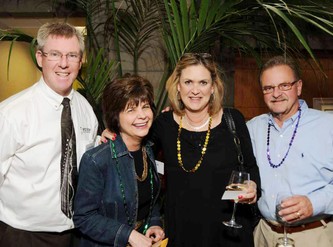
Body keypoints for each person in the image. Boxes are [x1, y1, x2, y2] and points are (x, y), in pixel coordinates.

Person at [102, 53, 261, 246]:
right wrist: (113, 132)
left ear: (213, 87)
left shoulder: (233, 120)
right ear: (178, 86)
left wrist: (253, 189)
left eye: (203, 82)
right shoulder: (163, 124)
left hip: (230, 233)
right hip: (182, 233)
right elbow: (136, 154)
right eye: (188, 82)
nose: (195, 90)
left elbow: (251, 169)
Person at [0, 22, 98, 247]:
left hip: (77, 233)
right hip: (22, 236)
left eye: (72, 55)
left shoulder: (86, 109)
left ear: (80, 60)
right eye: (55, 54)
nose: (64, 64)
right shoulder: (11, 114)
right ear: (40, 58)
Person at [246, 55, 333, 247]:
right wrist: (178, 116)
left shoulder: (328, 126)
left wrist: (314, 203)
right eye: (269, 88)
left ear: (299, 87)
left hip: (313, 236)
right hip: (264, 235)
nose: (276, 93)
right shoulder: (253, 128)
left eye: (284, 85)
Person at [73, 75, 165, 247]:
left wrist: (153, 222)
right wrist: (128, 235)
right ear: (116, 116)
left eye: (145, 107)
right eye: (131, 110)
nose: (142, 116)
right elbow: (83, 217)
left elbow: (150, 199)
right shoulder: (97, 160)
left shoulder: (149, 150)